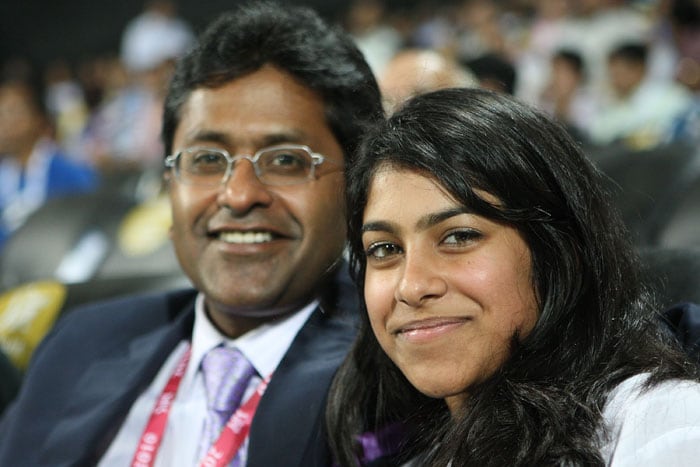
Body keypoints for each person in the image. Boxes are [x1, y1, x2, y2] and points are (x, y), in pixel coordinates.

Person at [0, 2, 383, 466]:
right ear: (169, 184)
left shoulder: (391, 373)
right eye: (206, 160)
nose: (239, 195)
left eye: (285, 160)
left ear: (358, 182)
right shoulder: (78, 344)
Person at [326, 87, 700, 466]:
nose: (412, 287)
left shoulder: (664, 429)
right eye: (385, 249)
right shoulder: (417, 453)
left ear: (559, 250)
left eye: (459, 237)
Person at [0, 75, 99, 250]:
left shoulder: (71, 174)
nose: (4, 123)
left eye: (11, 112)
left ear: (39, 119)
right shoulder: (5, 176)